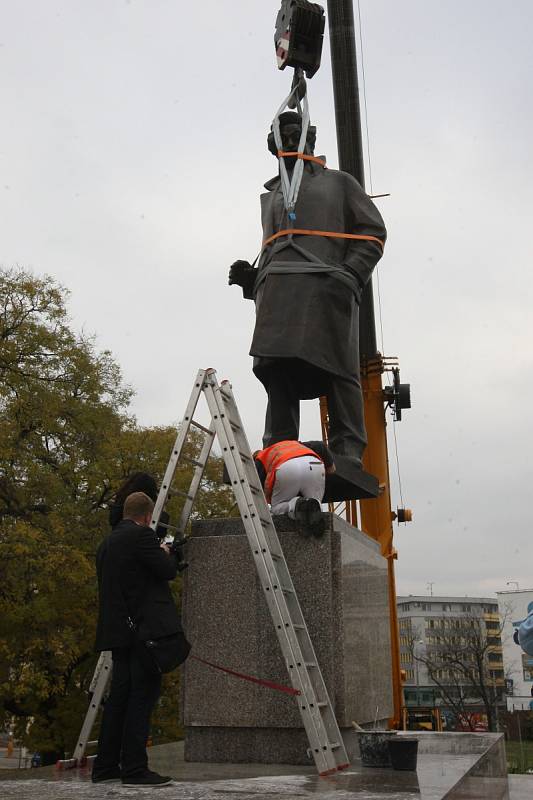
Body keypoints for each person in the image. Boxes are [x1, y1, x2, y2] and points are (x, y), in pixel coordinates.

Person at [229, 111, 386, 467]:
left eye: (295, 132)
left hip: (327, 286)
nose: (289, 140)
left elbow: (373, 232)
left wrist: (349, 273)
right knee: (276, 370)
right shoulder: (270, 196)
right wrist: (252, 280)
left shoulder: (339, 183)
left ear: (310, 138)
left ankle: (348, 450)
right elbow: (275, 247)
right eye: (282, 136)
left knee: (338, 370)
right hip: (278, 293)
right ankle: (279, 448)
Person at [92, 491, 182, 786]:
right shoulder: (142, 537)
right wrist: (168, 553)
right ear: (146, 515)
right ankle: (134, 768)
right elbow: (166, 571)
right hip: (143, 632)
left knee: (119, 698)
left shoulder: (107, 543)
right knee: (142, 696)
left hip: (118, 632)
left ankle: (105, 767)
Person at [254, 439, 335, 536]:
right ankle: (314, 519)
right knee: (314, 502)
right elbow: (321, 447)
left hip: (286, 467)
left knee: (276, 508)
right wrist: (329, 466)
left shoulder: (260, 458)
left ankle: (296, 504)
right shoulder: (295, 444)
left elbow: (257, 493)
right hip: (314, 463)